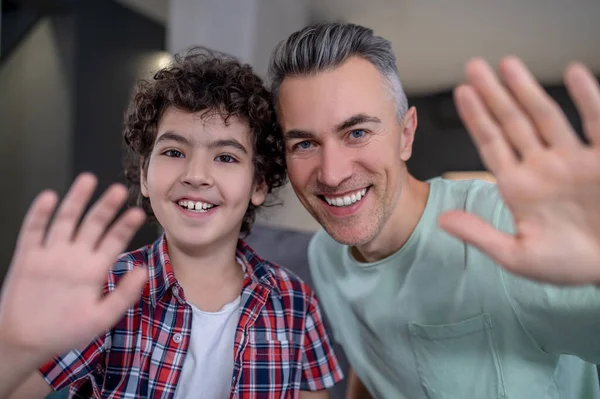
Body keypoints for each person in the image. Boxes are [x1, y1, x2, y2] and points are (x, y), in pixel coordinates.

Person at [268, 22, 600, 398]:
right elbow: (376, 363)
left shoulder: (500, 227)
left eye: (357, 133)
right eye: (305, 144)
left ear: (406, 134)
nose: (331, 173)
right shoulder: (325, 257)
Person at [0, 48, 343, 399]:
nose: (196, 175)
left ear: (258, 184)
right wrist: (14, 344)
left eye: (225, 157)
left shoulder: (295, 302)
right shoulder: (107, 290)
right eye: (174, 153)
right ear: (145, 176)